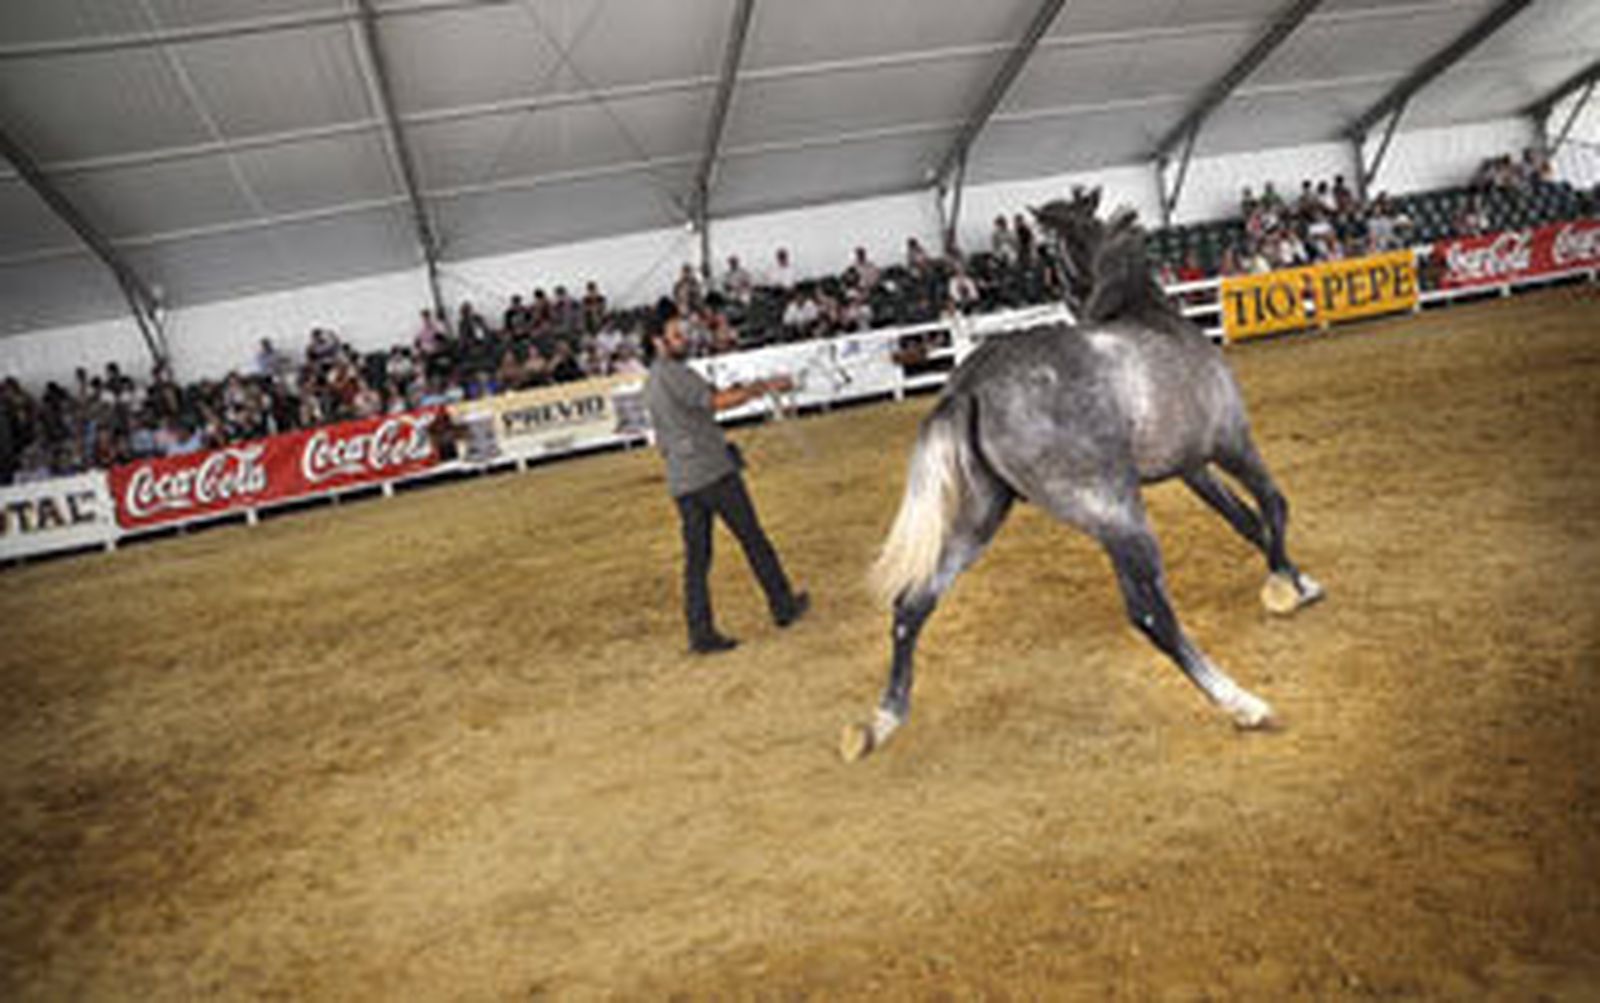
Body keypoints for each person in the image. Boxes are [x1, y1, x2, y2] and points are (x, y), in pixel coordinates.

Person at [643, 298, 809, 654]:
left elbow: (680, 424)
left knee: (697, 561)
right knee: (753, 539)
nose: (682, 339)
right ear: (658, 341)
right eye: (675, 335)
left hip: (684, 481)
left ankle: (700, 632)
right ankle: (783, 606)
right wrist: (762, 388)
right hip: (712, 475)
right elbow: (716, 402)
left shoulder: (654, 380)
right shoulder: (675, 373)